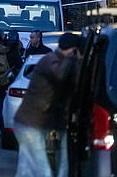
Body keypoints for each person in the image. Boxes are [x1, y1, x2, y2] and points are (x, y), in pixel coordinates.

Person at [13, 32, 81, 177]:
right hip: (30, 124)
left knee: (25, 170)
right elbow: (60, 76)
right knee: (42, 171)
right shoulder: (51, 61)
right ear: (72, 49)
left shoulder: (52, 60)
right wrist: (74, 59)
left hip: (26, 122)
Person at [0, 29, 23, 135]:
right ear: (3, 36)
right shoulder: (11, 49)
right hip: (9, 81)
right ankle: (10, 129)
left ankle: (2, 130)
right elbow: (19, 65)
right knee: (11, 106)